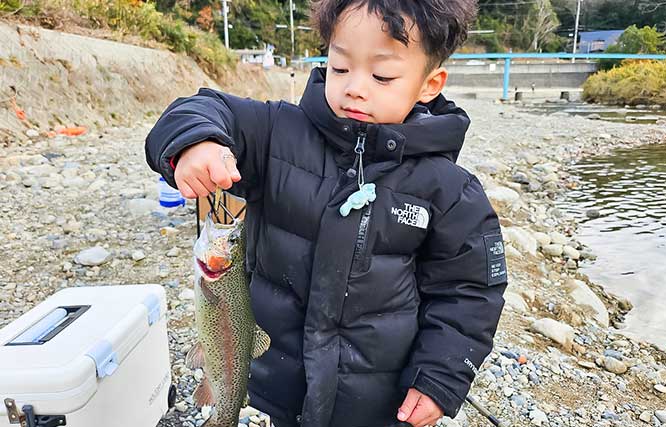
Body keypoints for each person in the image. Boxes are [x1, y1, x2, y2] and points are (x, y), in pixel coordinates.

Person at [145, 1, 507, 426]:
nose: (355, 87)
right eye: (339, 67)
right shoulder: (276, 133)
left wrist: (439, 378)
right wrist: (196, 143)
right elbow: (202, 109)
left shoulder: (449, 189)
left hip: (378, 402)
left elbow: (469, 294)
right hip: (282, 389)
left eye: (382, 76)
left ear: (430, 83)